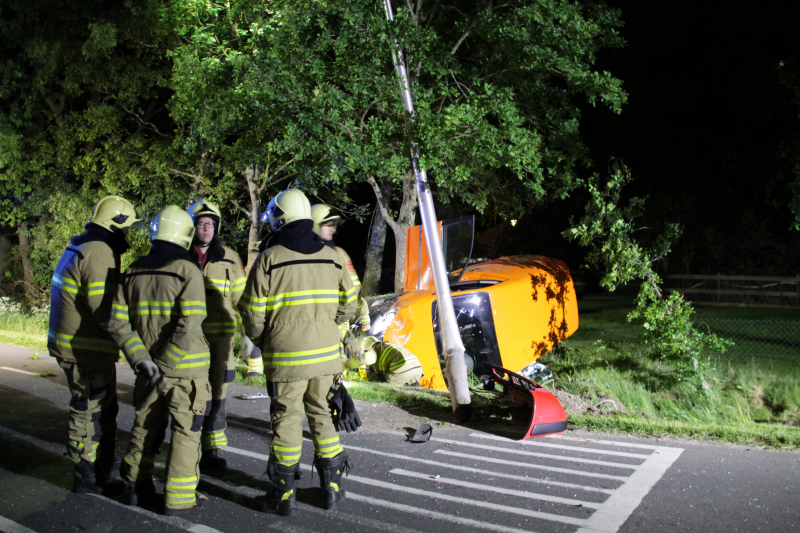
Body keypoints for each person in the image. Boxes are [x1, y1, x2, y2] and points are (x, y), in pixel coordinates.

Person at [239, 189, 357, 517]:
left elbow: (250, 314)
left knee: (287, 421)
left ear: (280, 219)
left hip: (285, 358)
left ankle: (283, 496)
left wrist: (267, 340)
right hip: (325, 358)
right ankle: (331, 489)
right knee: (321, 414)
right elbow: (349, 304)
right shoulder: (332, 257)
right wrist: (326, 325)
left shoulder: (268, 260)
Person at [107, 206, 211, 516]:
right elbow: (191, 321)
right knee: (185, 432)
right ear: (185, 234)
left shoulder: (134, 269)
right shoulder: (187, 269)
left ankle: (134, 488)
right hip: (184, 370)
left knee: (144, 427)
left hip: (149, 370)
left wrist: (142, 360)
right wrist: (167, 364)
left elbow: (118, 323)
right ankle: (177, 500)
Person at [48, 195, 140, 494]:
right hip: (86, 349)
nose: (128, 234)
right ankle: (86, 473)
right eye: (128, 228)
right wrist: (135, 344)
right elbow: (106, 310)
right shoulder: (100, 252)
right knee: (90, 409)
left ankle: (96, 468)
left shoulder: (82, 245)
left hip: (77, 345)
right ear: (117, 224)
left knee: (99, 406)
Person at [186, 200, 247, 474]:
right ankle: (187, 447)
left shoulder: (230, 259)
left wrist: (249, 336)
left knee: (217, 395)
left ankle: (212, 449)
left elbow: (243, 300)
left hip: (220, 343)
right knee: (188, 394)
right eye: (200, 223)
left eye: (210, 223)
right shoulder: (180, 257)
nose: (206, 228)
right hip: (187, 339)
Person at [346, 336, 424, 386]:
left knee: (386, 388)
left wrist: (345, 365)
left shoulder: (374, 350)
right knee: (414, 390)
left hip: (402, 371)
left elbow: (363, 360)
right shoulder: (388, 345)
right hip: (418, 368)